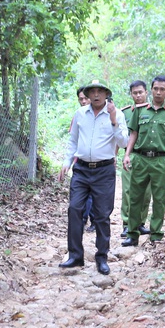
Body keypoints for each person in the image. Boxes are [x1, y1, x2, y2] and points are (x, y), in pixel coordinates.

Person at [59, 80, 128, 275]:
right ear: (87, 95)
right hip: (81, 169)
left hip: (104, 170)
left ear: (107, 94)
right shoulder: (80, 114)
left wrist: (114, 119)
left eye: (100, 91)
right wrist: (66, 162)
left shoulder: (117, 114)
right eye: (92, 91)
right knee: (74, 208)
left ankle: (102, 257)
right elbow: (73, 140)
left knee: (102, 215)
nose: (96, 95)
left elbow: (123, 142)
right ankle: (75, 256)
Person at [122, 76, 165, 246]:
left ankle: (156, 234)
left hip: (161, 160)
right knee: (135, 197)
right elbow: (134, 134)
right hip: (140, 158)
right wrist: (127, 155)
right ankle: (132, 233)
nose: (159, 92)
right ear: (151, 90)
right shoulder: (140, 110)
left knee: (159, 199)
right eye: (156, 89)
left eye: (162, 89)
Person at [120, 81, 152, 238]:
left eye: (140, 92)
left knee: (146, 193)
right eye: (135, 93)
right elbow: (117, 136)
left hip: (149, 157)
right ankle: (127, 224)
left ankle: (140, 223)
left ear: (146, 92)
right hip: (131, 155)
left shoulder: (155, 111)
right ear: (131, 94)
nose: (138, 95)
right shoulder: (125, 113)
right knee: (128, 191)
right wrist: (115, 155)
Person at [76, 86, 95, 232]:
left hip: (100, 163)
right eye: (80, 99)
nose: (83, 101)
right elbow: (74, 139)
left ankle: (94, 220)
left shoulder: (108, 114)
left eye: (85, 98)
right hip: (81, 161)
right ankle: (82, 219)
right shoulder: (79, 115)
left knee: (95, 194)